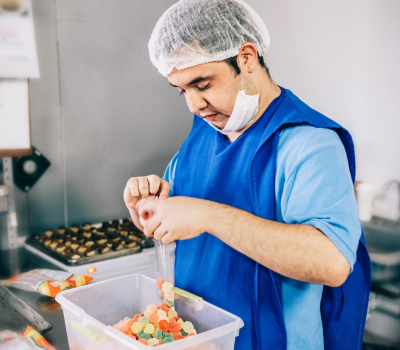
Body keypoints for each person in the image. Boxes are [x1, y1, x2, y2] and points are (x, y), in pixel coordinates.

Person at [123, 0, 370, 349]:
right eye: (183, 91)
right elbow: (176, 225)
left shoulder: (309, 144)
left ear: (247, 58)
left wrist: (207, 215)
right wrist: (145, 210)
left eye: (203, 84)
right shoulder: (201, 138)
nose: (193, 105)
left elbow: (332, 262)